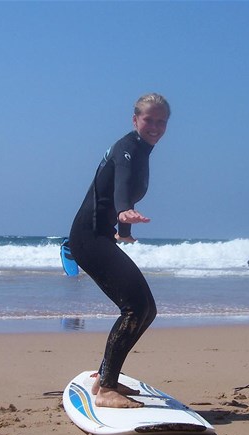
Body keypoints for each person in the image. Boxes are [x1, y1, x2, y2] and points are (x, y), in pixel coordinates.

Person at [68, 93, 170, 408]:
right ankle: (107, 389)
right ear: (134, 119)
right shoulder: (128, 147)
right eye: (148, 119)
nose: (154, 126)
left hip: (100, 236)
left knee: (146, 310)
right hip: (88, 238)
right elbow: (122, 187)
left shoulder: (139, 150)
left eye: (161, 121)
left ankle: (105, 376)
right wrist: (124, 210)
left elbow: (115, 190)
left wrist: (123, 229)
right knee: (136, 309)